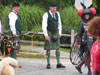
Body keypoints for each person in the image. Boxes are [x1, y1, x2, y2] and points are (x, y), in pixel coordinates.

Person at [42, 2, 65, 69]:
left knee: (57, 48)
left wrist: (60, 32)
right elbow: (44, 25)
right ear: (50, 8)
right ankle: (48, 63)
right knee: (48, 48)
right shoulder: (46, 15)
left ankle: (58, 63)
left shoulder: (57, 14)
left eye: (55, 8)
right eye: (53, 8)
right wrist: (46, 35)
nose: (55, 9)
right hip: (49, 33)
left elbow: (59, 24)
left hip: (56, 32)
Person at [75, 3, 96, 75]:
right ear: (83, 15)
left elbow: (94, 33)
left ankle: (79, 66)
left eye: (88, 15)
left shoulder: (92, 23)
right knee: (88, 57)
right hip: (84, 43)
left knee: (89, 57)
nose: (87, 16)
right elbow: (79, 34)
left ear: (90, 15)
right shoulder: (82, 23)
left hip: (91, 42)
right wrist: (78, 43)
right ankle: (89, 71)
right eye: (85, 15)